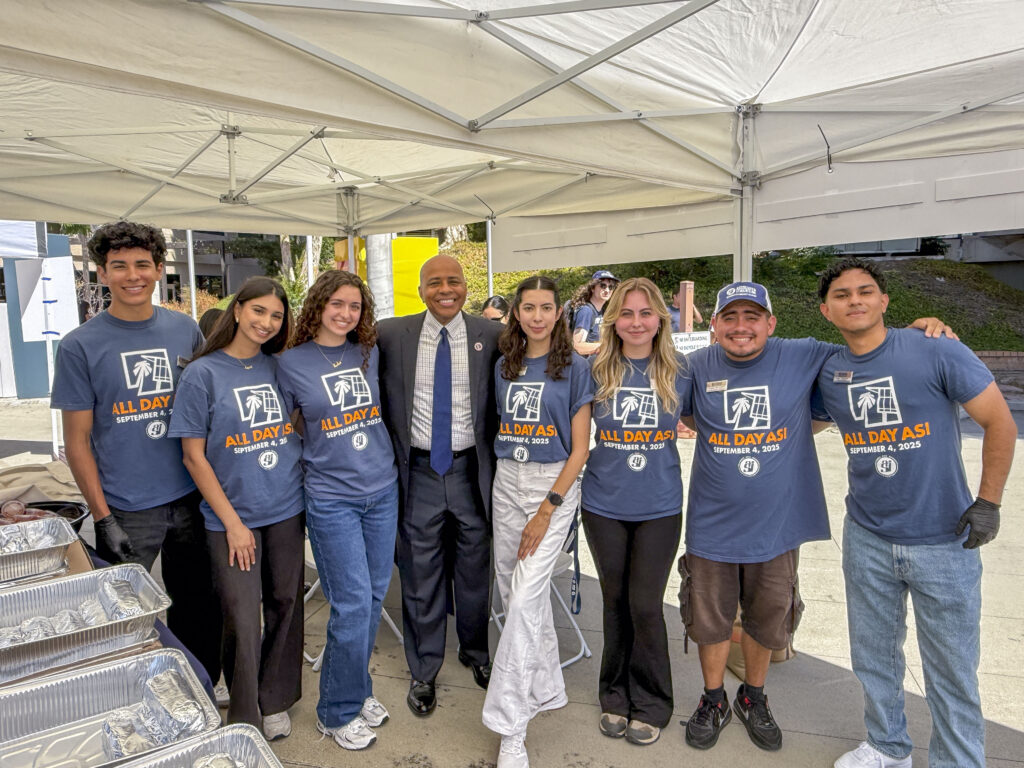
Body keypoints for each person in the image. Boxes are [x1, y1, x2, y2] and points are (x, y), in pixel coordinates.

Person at [815, 258, 1015, 768]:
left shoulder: (936, 348)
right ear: (825, 310)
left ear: (884, 300)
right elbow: (804, 422)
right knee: (874, 656)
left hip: (945, 539)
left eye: (865, 291)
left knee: (952, 668)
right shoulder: (829, 372)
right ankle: (887, 747)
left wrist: (988, 502)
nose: (854, 300)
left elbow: (1000, 422)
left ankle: (959, 760)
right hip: (867, 536)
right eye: (841, 294)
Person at [50, 221, 222, 684]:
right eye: (119, 265)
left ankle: (202, 688)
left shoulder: (184, 329)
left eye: (142, 264)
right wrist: (102, 518)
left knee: (200, 607)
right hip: (127, 507)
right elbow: (77, 442)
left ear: (159, 269)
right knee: (123, 618)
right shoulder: (79, 346)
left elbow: (209, 409)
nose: (132, 275)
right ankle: (131, 693)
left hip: (191, 498)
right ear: (103, 273)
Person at [169, 277, 304, 739]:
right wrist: (233, 523)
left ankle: (275, 700)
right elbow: (193, 456)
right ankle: (245, 715)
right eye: (259, 311)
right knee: (243, 619)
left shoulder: (279, 367)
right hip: (231, 518)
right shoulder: (202, 374)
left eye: (277, 315)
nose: (267, 322)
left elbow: (295, 422)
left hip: (286, 507)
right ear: (238, 309)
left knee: (286, 605)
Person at [275, 270, 399, 751]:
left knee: (371, 599)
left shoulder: (368, 351)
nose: (346, 314)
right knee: (350, 605)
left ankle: (357, 688)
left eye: (355, 306)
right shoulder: (290, 363)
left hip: (382, 490)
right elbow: (282, 429)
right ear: (318, 306)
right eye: (337, 304)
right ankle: (335, 712)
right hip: (332, 498)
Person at [376, 254, 502, 717]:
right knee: (420, 572)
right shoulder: (391, 334)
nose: (445, 290)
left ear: (466, 285)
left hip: (472, 471)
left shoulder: (492, 334)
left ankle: (476, 652)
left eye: (454, 281)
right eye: (435, 282)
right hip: (420, 471)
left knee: (474, 570)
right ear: (420, 290)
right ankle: (424, 669)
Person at [481, 276, 593, 768]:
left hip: (553, 485)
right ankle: (547, 686)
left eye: (547, 307)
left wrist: (548, 508)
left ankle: (511, 726)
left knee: (526, 598)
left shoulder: (575, 368)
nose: (538, 316)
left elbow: (580, 449)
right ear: (517, 313)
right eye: (529, 307)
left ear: (559, 312)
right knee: (514, 594)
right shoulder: (503, 364)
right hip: (508, 479)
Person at [581, 276, 689, 746]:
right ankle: (614, 694)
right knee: (614, 601)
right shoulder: (594, 369)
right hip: (603, 503)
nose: (636, 322)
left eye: (646, 313)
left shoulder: (683, 369)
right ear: (613, 320)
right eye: (626, 313)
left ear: (660, 319)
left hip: (659, 505)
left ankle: (653, 701)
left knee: (645, 604)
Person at [569, 270, 619, 356]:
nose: (607, 290)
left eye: (611, 287)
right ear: (592, 288)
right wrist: (607, 347)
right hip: (584, 362)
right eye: (603, 286)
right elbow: (578, 346)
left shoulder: (604, 311)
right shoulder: (586, 311)